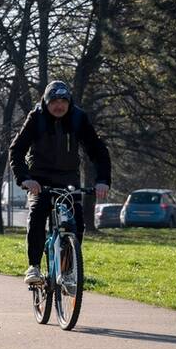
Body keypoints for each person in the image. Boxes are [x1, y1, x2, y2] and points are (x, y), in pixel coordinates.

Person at [8, 80, 112, 285]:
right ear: (46, 102)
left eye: (64, 101)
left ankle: (68, 270)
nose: (59, 105)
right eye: (54, 101)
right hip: (39, 179)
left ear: (69, 102)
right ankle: (34, 267)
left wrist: (102, 180)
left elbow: (98, 151)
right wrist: (26, 179)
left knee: (77, 222)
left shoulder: (78, 118)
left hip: (68, 179)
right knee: (37, 214)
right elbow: (17, 150)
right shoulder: (36, 118)